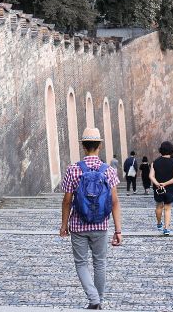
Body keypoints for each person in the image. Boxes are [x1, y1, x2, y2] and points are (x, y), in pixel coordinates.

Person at [60, 128, 123, 310]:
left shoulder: (73, 170)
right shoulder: (108, 171)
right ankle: (98, 300)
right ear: (100, 146)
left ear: (83, 146)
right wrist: (118, 230)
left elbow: (66, 201)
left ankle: (93, 299)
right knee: (100, 262)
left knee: (81, 263)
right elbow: (114, 202)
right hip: (101, 224)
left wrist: (64, 225)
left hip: (78, 225)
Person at [149, 141, 173, 236]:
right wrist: (165, 184)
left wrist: (158, 184)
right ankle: (166, 228)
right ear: (171, 151)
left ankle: (159, 223)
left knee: (159, 206)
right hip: (170, 188)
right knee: (167, 208)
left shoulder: (155, 162)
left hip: (158, 189)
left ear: (161, 150)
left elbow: (151, 176)